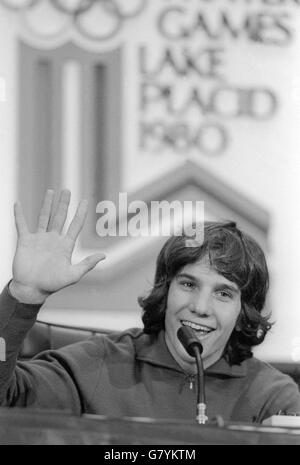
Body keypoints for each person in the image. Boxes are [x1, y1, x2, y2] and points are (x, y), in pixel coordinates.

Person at [0, 189, 299, 423]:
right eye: (188, 284)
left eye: (223, 294)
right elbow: (6, 400)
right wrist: (22, 297)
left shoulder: (272, 396)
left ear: (243, 313)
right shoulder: (97, 364)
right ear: (165, 291)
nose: (200, 307)